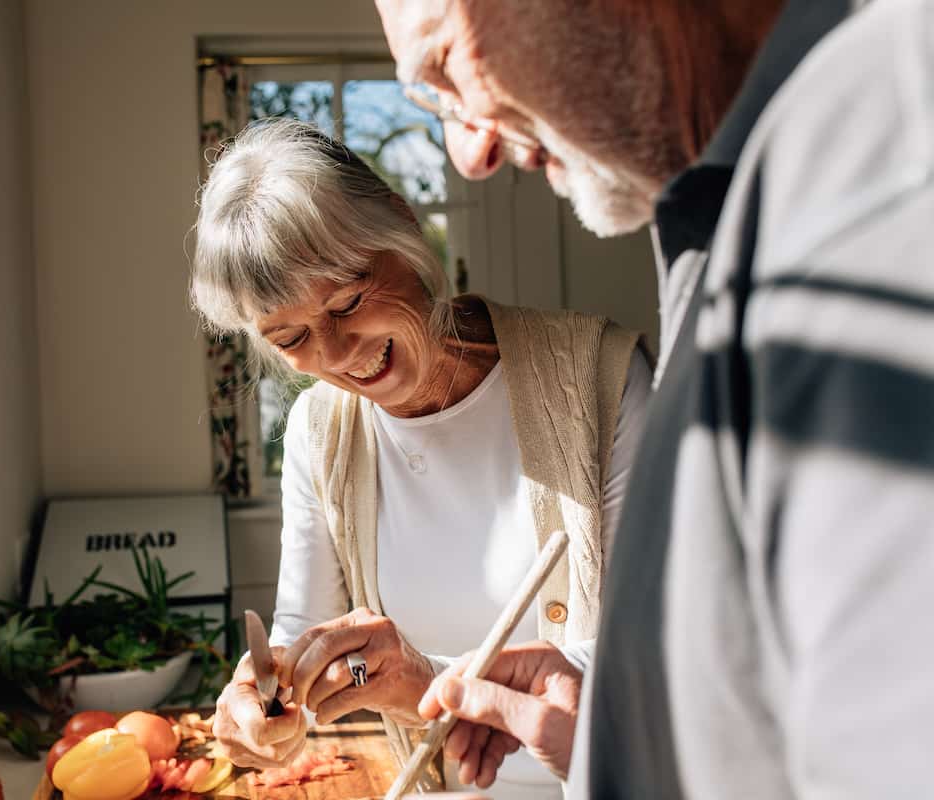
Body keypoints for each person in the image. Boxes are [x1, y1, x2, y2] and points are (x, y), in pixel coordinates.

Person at [375, 0, 934, 796]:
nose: (469, 151)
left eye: (444, 69)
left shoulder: (877, 185)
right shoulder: (735, 208)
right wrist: (616, 723)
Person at [190, 117, 653, 799]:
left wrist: (426, 679)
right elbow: (302, 636)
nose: (339, 354)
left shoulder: (599, 378)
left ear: (402, 231)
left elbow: (647, 651)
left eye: (348, 301)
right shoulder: (319, 432)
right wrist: (264, 696)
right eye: (291, 338)